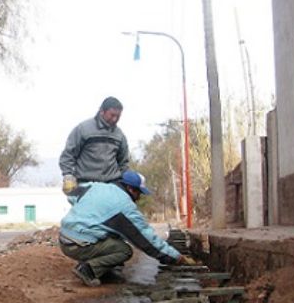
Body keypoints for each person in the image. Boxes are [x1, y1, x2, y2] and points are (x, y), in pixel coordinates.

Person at [58, 170, 196, 286]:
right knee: (124, 250)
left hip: (64, 238)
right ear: (130, 189)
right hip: (78, 245)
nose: (139, 198)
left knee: (115, 237)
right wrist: (176, 257)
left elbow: (72, 195)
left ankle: (103, 271)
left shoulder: (97, 187)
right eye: (138, 193)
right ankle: (88, 270)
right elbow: (147, 240)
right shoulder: (124, 206)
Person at [59, 96, 130, 194]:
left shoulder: (119, 135)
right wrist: (68, 175)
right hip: (85, 186)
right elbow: (68, 155)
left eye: (118, 116)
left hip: (111, 186)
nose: (115, 119)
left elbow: (124, 163)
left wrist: (124, 182)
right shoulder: (83, 129)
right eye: (112, 115)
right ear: (102, 111)